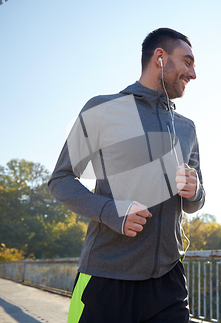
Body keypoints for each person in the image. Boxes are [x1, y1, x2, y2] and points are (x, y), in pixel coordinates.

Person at [48, 28, 205, 323]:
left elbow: (194, 203)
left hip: (168, 283)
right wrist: (110, 210)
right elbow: (61, 180)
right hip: (106, 278)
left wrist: (195, 190)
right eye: (187, 62)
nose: (193, 73)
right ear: (160, 57)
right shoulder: (104, 109)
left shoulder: (187, 127)